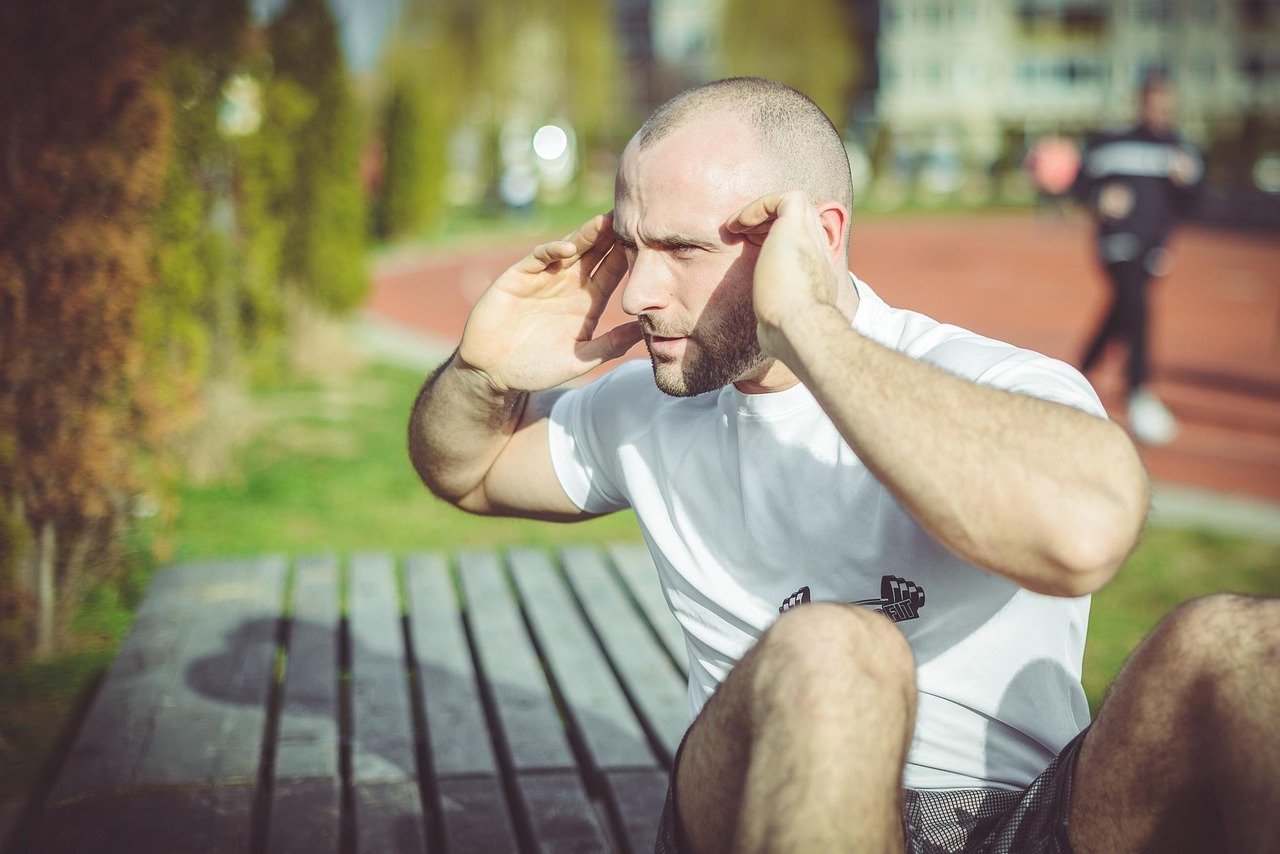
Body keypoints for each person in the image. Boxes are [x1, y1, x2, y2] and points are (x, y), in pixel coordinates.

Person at [409, 78, 1279, 853]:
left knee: (1237, 647)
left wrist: (808, 325)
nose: (636, 292)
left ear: (815, 239)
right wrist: (483, 371)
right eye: (632, 247)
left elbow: (1085, 536)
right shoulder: (643, 410)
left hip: (1021, 819)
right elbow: (469, 470)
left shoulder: (996, 383)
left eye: (681, 250)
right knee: (836, 649)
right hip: (760, 797)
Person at [1071, 74, 1203, 446]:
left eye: (1167, 104)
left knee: (1121, 312)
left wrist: (1187, 181)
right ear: (1141, 103)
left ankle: (1078, 376)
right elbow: (1081, 186)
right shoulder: (1110, 143)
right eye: (1154, 102)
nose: (1160, 110)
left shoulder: (1181, 150)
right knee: (1138, 308)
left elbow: (1193, 204)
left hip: (1153, 251)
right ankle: (1138, 393)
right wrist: (1100, 197)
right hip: (1115, 244)